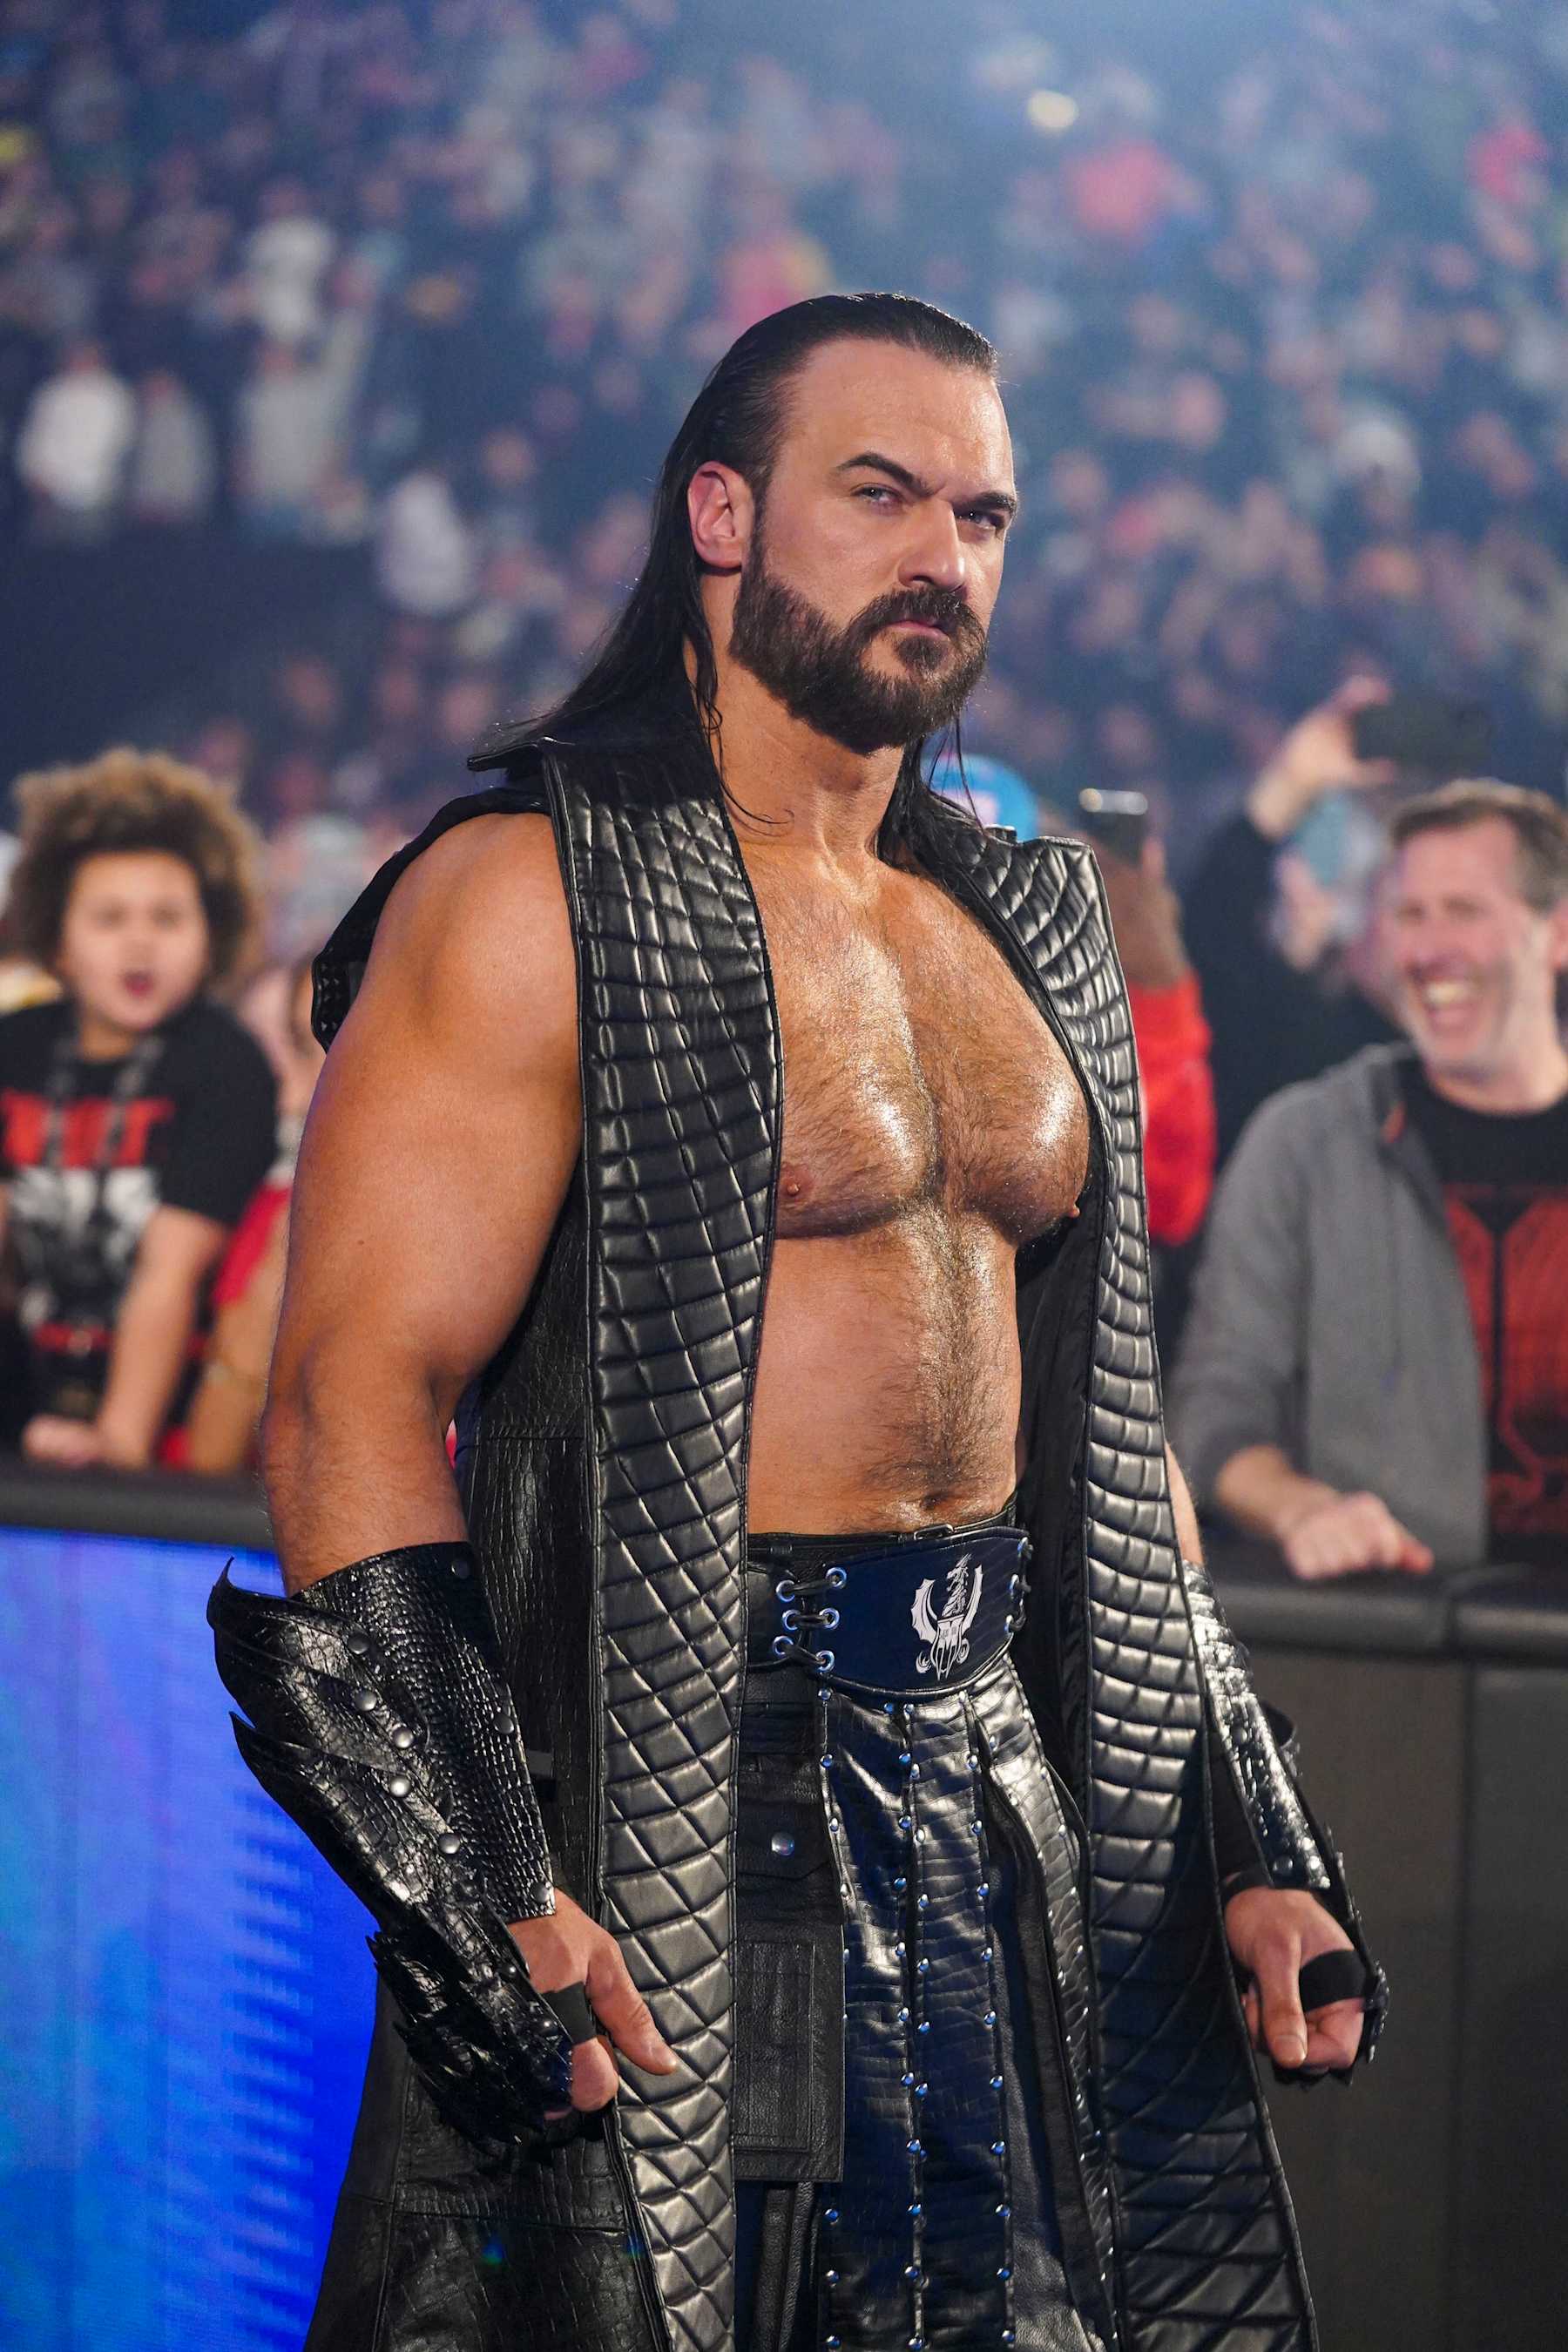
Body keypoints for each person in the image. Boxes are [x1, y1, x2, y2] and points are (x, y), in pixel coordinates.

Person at [210, 295, 1382, 2352]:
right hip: (669, 1788)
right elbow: (349, 1399)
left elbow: (1110, 1444)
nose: (946, 554)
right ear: (723, 513)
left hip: (1002, 1792)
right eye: (883, 492)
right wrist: (488, 1871)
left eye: (984, 514)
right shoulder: (527, 893)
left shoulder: (1026, 922)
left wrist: (1237, 1820)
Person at [1171, 778, 1568, 1578]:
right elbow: (1213, 1415)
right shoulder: (1304, 1145)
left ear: (1556, 932)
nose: (1426, 951)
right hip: (1387, 1628)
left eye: (1464, 911)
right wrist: (1301, 1509)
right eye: (1409, 915)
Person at [0, 750, 277, 1467]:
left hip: (175, 1432)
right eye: (109, 917)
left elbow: (169, 1275)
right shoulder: (15, 1046)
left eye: (168, 917)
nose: (140, 940)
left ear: (211, 938)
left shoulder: (227, 1063)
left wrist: (117, 1448)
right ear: (57, 943)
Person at [1181, 680, 1402, 1164]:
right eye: (1408, 907)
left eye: (1455, 910)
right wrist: (1288, 788)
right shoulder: (1301, 1023)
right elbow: (1212, 945)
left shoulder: (1440, 1072)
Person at [182, 955, 325, 1474]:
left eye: (327, 1047)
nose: (291, 1097)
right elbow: (208, 1462)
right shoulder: (276, 1217)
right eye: (300, 1048)